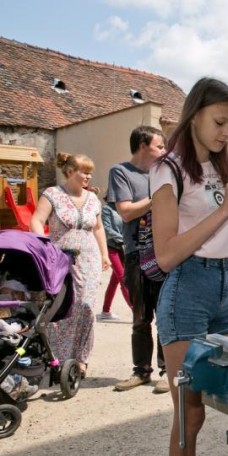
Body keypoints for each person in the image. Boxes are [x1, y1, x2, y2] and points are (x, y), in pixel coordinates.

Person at [150, 77, 228, 456]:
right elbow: (165, 256)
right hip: (184, 292)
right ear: (194, 114)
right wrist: (227, 208)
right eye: (220, 122)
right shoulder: (168, 169)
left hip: (220, 285)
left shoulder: (222, 169)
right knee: (190, 415)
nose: (226, 132)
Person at [30, 153, 111, 378]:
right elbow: (36, 220)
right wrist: (45, 247)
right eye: (84, 172)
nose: (88, 176)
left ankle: (80, 359)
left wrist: (104, 254)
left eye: (90, 172)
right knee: (62, 307)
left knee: (85, 306)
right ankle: (57, 357)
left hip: (89, 258)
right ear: (69, 172)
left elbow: (98, 228)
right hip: (59, 257)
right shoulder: (52, 194)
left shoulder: (93, 199)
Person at [107, 125, 169, 394]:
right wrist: (158, 197)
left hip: (166, 251)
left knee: (167, 315)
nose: (164, 151)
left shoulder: (163, 172)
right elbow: (126, 211)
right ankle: (141, 371)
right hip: (136, 254)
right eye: (160, 146)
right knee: (141, 316)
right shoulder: (120, 172)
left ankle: (169, 372)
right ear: (143, 146)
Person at [98, 201, 131, 321]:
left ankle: (105, 311)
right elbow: (107, 229)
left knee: (114, 281)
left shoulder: (126, 207)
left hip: (123, 249)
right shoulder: (107, 209)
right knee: (123, 279)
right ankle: (136, 311)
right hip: (111, 248)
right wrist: (124, 239)